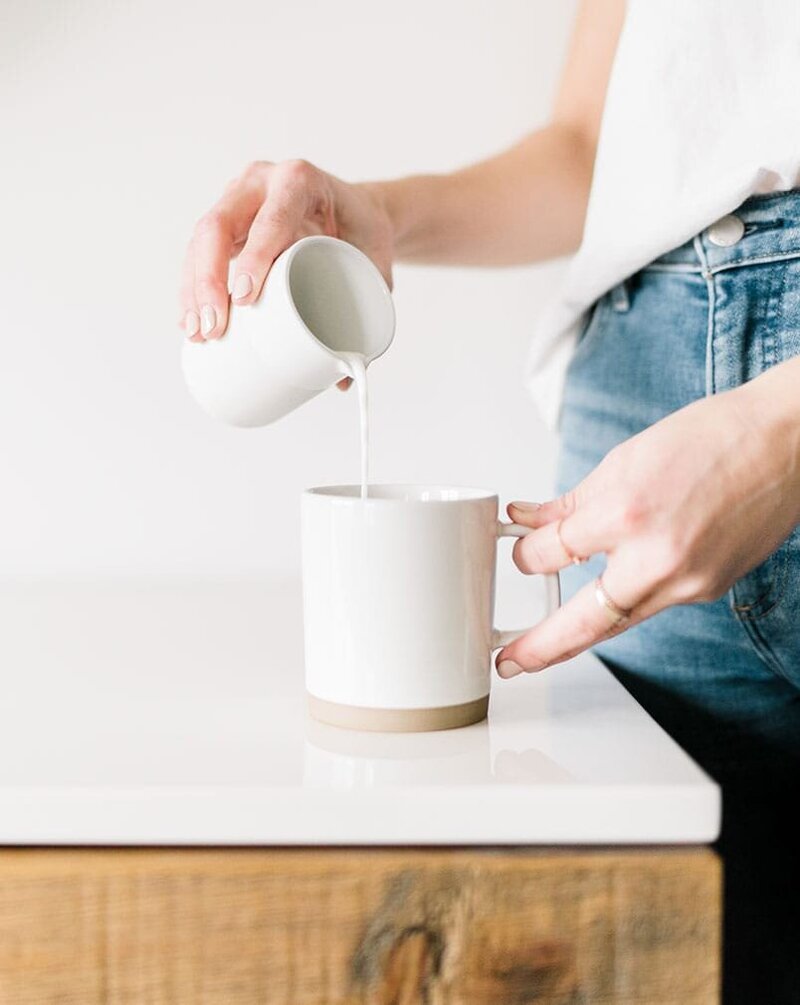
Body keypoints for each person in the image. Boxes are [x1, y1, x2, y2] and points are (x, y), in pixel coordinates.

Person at [179, 2, 800, 1000]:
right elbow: (590, 150)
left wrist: (779, 428)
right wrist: (380, 212)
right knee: (694, 957)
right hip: (638, 395)